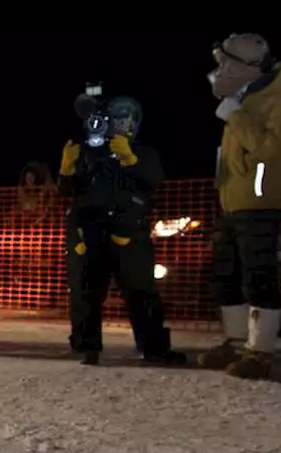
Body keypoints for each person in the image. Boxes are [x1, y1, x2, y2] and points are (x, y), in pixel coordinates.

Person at [199, 33, 281, 379]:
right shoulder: (247, 97)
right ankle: (237, 340)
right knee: (226, 273)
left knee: (260, 276)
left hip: (263, 204)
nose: (220, 70)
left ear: (250, 66)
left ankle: (260, 351)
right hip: (234, 201)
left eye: (227, 63)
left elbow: (270, 151)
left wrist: (236, 117)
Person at [57, 95, 186, 366]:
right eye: (116, 117)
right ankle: (86, 346)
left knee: (141, 290)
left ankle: (154, 347)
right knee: (85, 291)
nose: (121, 122)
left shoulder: (144, 152)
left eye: (127, 117)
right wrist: (66, 169)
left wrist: (130, 160)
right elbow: (66, 193)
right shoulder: (90, 151)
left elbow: (153, 182)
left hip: (129, 232)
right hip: (88, 231)